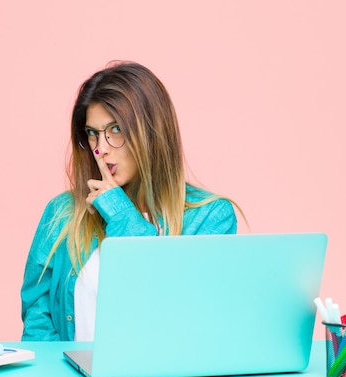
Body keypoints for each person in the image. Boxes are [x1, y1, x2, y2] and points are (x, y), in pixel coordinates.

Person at [21, 61, 241, 341]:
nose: (100, 148)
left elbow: (174, 312)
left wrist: (120, 212)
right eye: (92, 133)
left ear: (151, 131)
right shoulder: (63, 213)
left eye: (115, 130)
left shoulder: (210, 217)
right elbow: (38, 319)